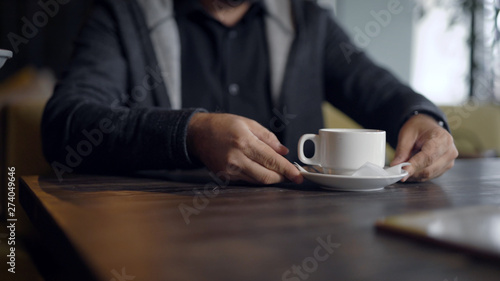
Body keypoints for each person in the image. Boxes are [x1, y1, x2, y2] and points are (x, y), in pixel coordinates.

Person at [41, 0, 458, 184]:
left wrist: (422, 119)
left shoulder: (307, 21)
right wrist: (191, 133)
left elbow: (378, 91)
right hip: (159, 244)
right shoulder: (123, 15)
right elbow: (65, 124)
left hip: (298, 246)